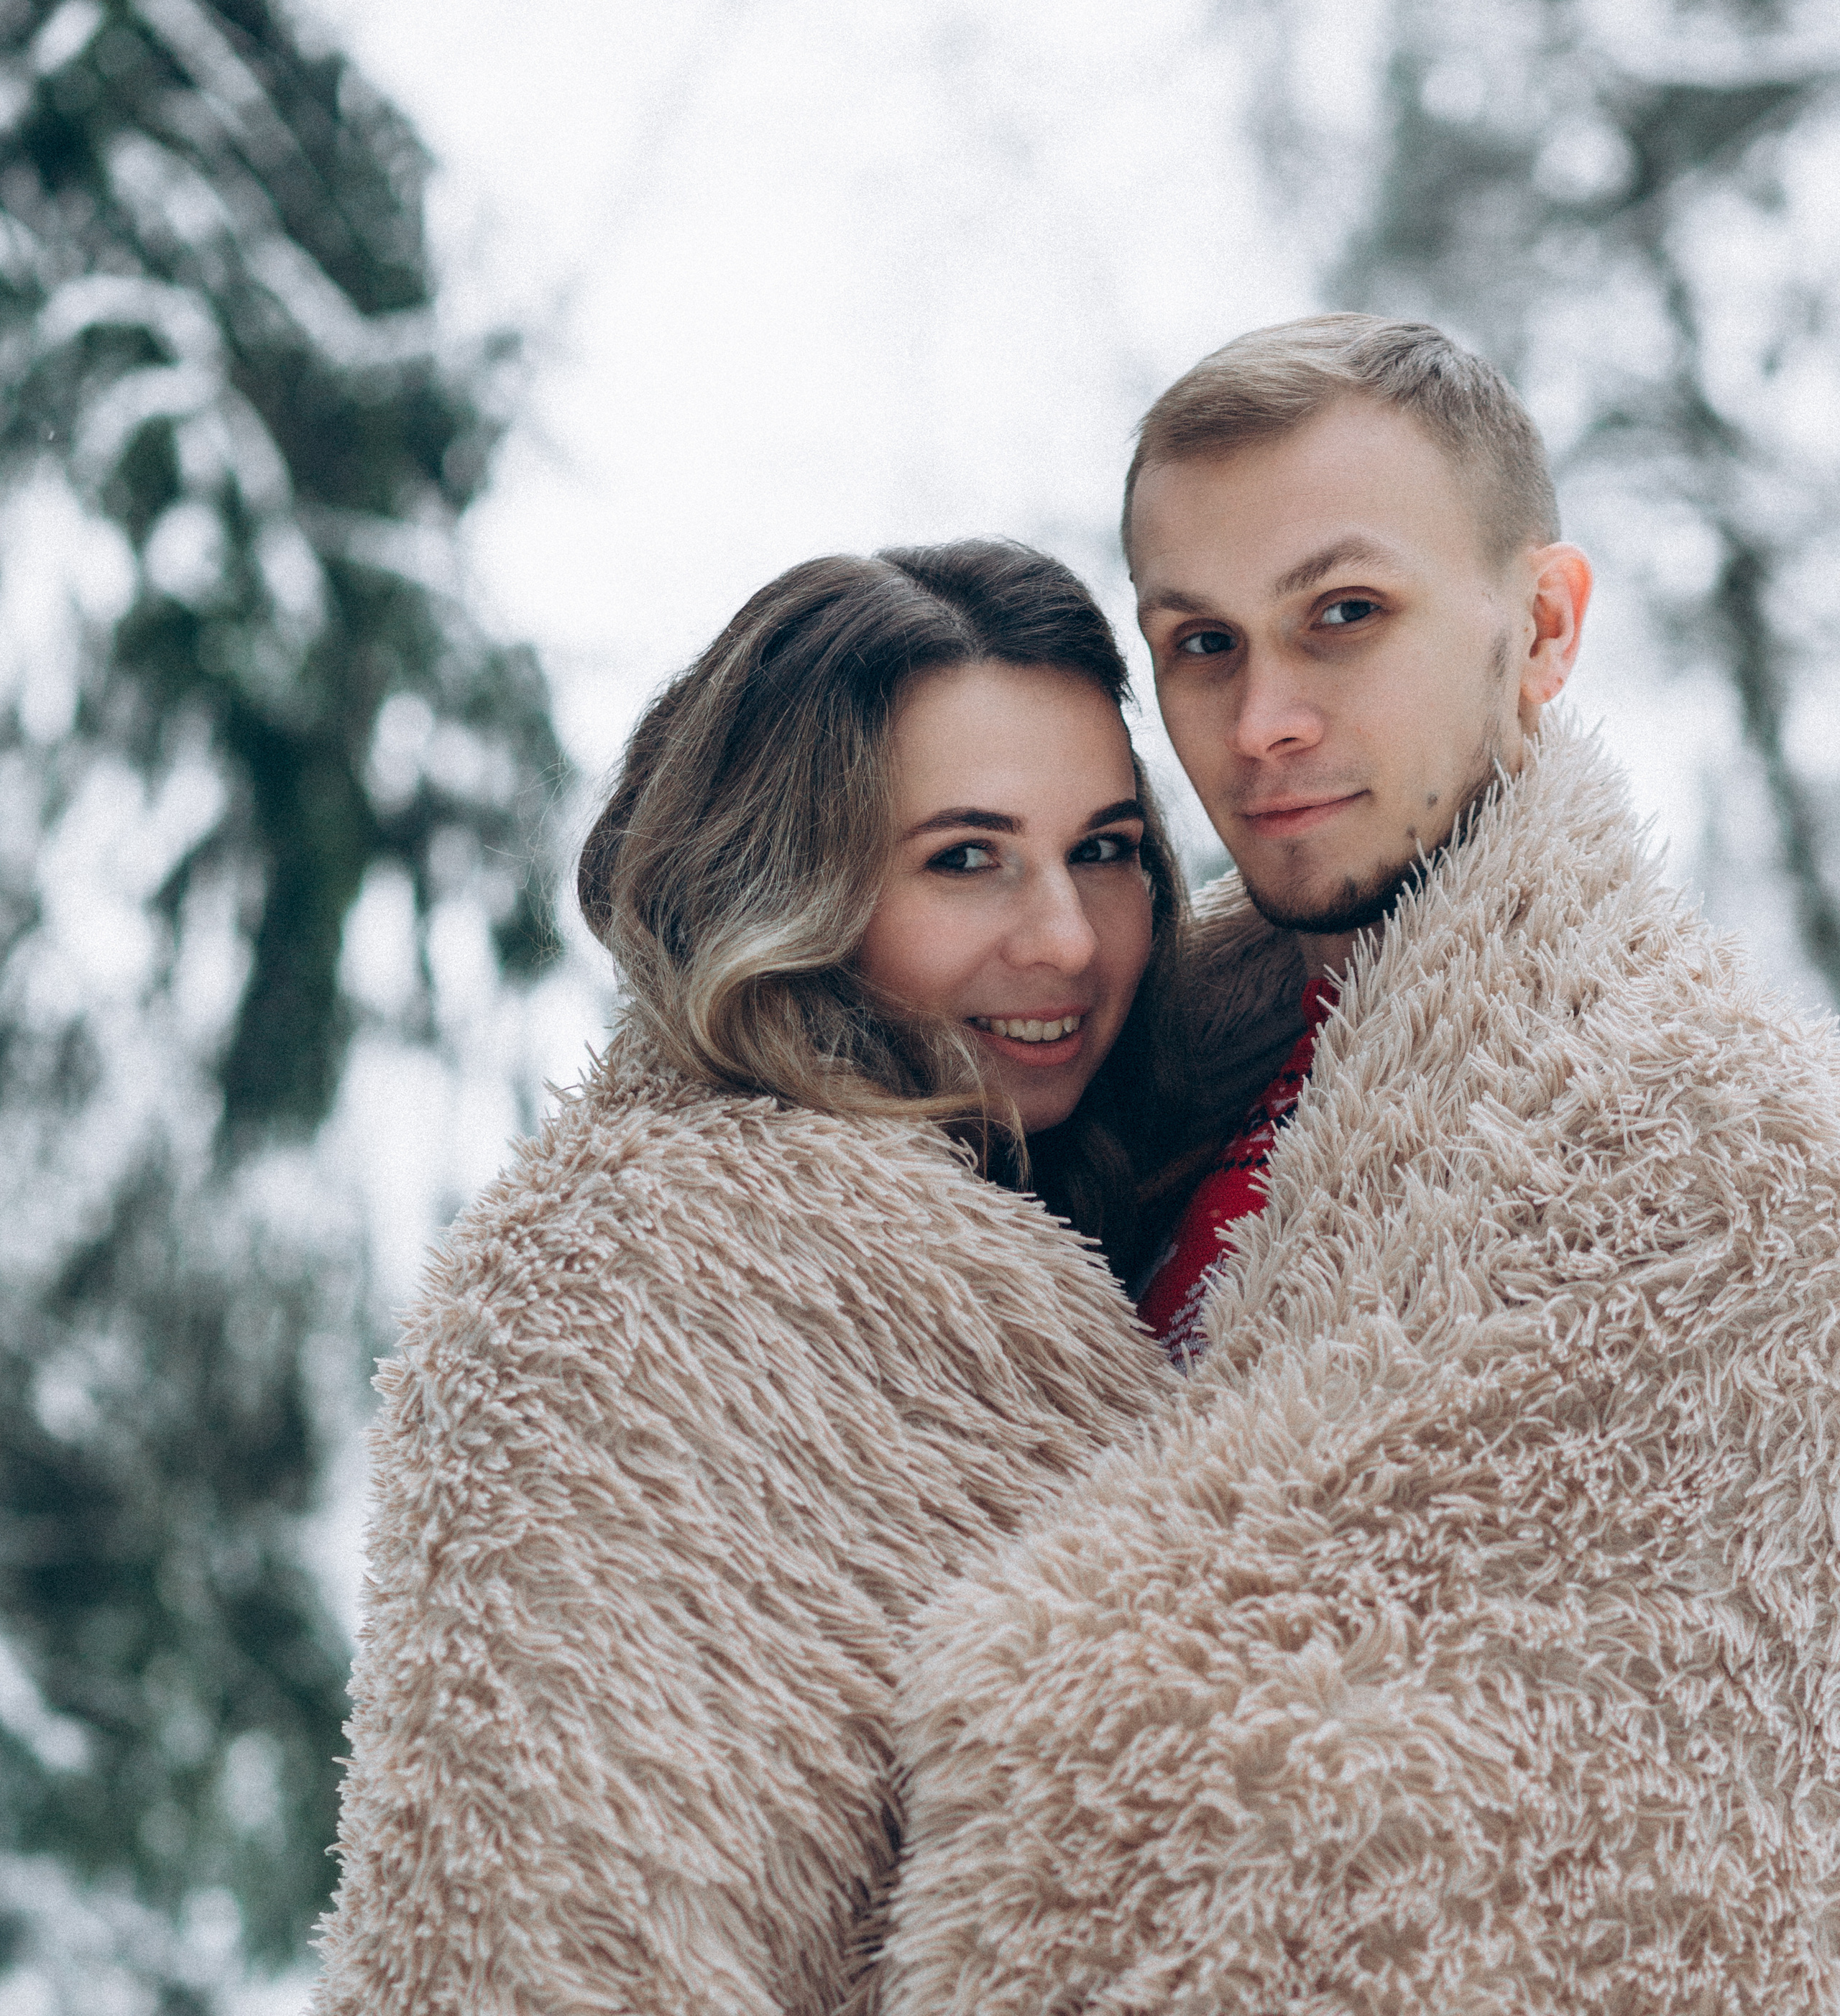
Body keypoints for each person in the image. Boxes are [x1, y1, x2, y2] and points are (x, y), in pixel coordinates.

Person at [865, 317, 1840, 2013]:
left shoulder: (1726, 1165)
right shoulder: (1102, 1115)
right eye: (1196, 644)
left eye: (1342, 616)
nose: (1262, 722)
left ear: (1539, 626)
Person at [309, 540, 1184, 2016]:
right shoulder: (636, 1276)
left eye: (1102, 848)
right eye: (964, 856)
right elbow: (526, 1934)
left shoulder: (1117, 1205)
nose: (1065, 937)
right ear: (795, 892)